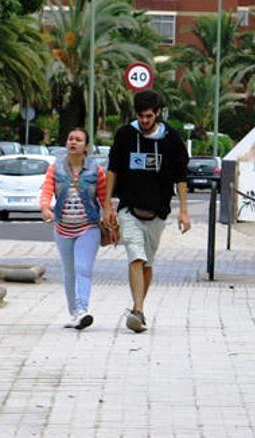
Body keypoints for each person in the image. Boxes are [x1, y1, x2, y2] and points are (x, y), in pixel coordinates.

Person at [103, 90, 191, 333]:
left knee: (147, 264)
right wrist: (107, 203)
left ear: (158, 114)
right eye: (141, 116)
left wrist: (184, 211)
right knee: (136, 256)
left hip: (158, 212)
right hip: (129, 209)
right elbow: (113, 170)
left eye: (149, 116)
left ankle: (136, 307)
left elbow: (181, 177)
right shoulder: (125, 135)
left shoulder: (171, 139)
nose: (144, 121)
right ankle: (139, 311)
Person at [39, 128, 109, 330]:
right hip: (62, 227)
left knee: (83, 269)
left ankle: (82, 310)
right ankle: (74, 313)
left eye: (78, 140)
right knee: (69, 272)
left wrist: (109, 217)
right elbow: (47, 190)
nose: (73, 142)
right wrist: (45, 208)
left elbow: (104, 199)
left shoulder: (96, 170)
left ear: (85, 146)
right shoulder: (56, 168)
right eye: (70, 139)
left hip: (89, 227)